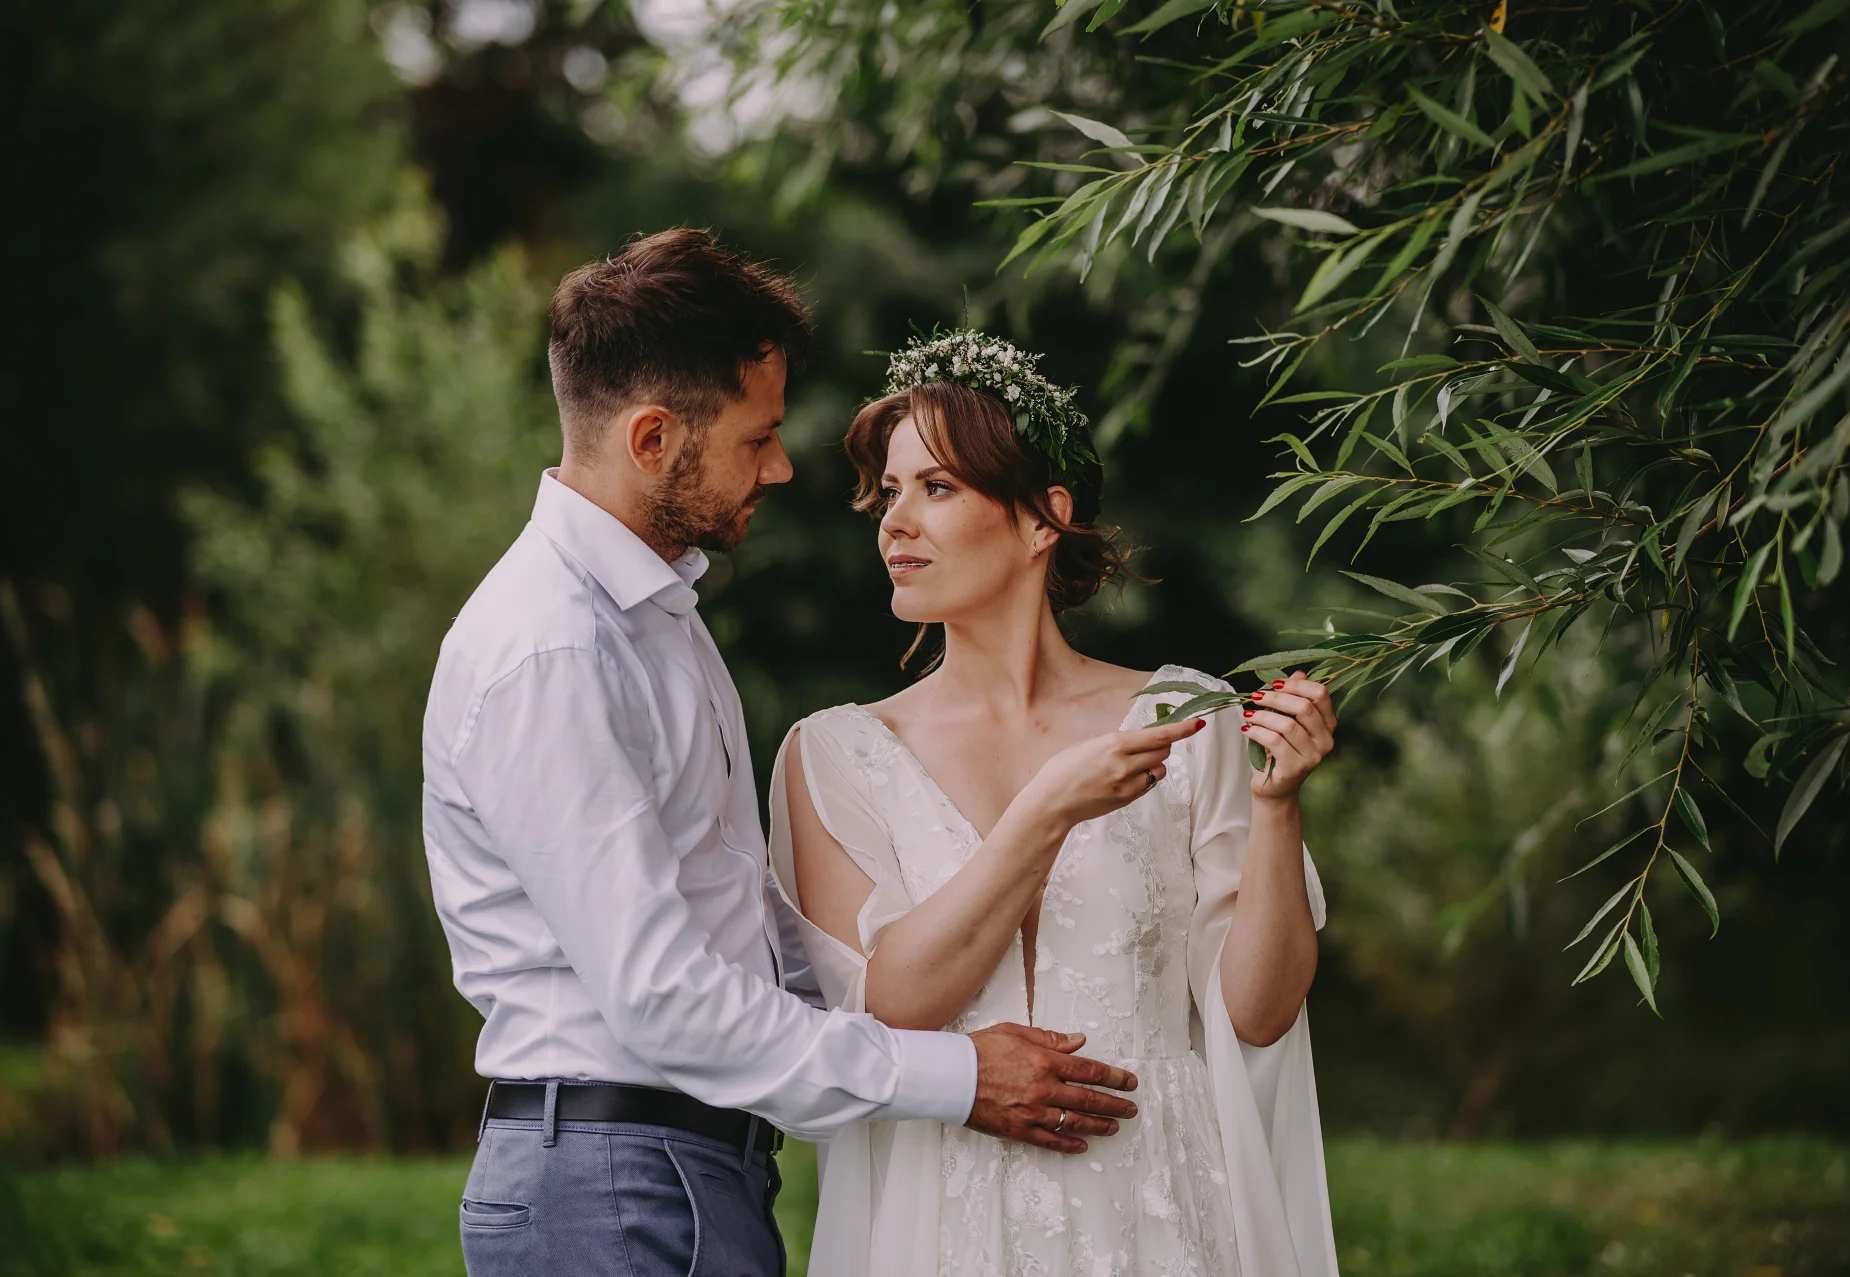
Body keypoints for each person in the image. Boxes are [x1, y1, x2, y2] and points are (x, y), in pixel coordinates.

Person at [421, 233, 1144, 1277]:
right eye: (758, 437)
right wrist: (952, 1075)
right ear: (655, 437)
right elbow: (662, 993)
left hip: (686, 1171)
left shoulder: (656, 616)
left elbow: (746, 927)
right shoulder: (554, 649)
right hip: (616, 1187)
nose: (784, 464)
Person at [768, 328, 1341, 1277]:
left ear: (1043, 518)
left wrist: (1277, 808)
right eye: (890, 492)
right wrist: (1047, 810)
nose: (893, 522)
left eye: (936, 488)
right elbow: (891, 1003)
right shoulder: (835, 752)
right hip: (946, 1219)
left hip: (1156, 1207)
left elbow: (1259, 1011)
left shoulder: (1183, 719)